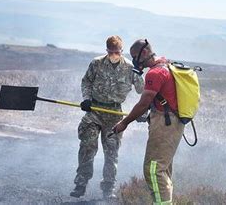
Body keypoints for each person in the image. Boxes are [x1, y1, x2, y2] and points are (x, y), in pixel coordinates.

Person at [70, 35, 144, 199]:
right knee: (87, 146)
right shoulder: (96, 63)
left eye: (116, 52)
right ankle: (80, 184)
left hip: (114, 115)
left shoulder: (131, 69)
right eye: (111, 52)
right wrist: (86, 99)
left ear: (121, 51)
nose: (113, 56)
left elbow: (143, 91)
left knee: (111, 153)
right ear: (107, 51)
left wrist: (143, 112)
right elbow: (86, 82)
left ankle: (108, 189)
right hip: (94, 111)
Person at [113, 39, 184, 205]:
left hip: (165, 123)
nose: (135, 62)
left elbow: (144, 102)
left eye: (135, 57)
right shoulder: (166, 64)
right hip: (171, 121)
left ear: (144, 53)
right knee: (163, 169)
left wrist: (125, 123)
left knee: (153, 169)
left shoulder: (155, 73)